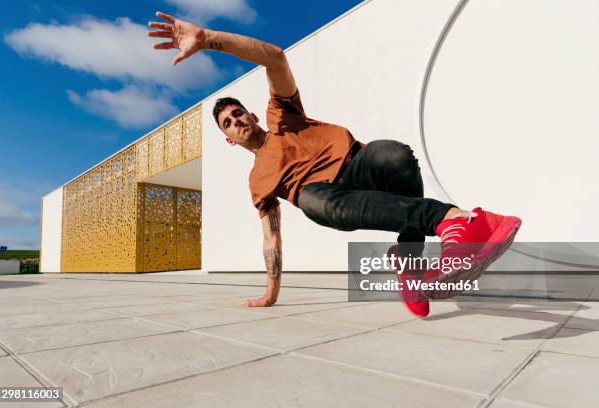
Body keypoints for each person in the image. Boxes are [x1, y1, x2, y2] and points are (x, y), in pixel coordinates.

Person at [148, 12, 522, 316]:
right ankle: (460, 222)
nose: (236, 121)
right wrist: (270, 294)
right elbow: (271, 238)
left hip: (358, 163)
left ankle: (413, 266)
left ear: (253, 116)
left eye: (238, 113)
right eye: (228, 123)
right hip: (329, 196)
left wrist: (210, 38)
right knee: (313, 201)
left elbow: (275, 57)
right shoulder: (258, 181)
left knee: (394, 152)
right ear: (229, 139)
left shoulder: (281, 115)